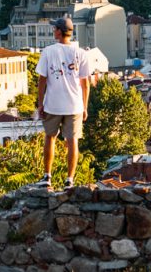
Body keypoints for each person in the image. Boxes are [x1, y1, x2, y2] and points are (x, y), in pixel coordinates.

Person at [34, 15, 90, 190]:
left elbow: (42, 80)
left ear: (58, 31)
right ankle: (69, 179)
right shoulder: (81, 53)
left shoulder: (48, 51)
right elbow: (85, 83)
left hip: (53, 103)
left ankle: (47, 176)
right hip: (74, 105)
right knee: (73, 140)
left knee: (50, 138)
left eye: (54, 29)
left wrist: (40, 104)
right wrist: (85, 106)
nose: (53, 31)